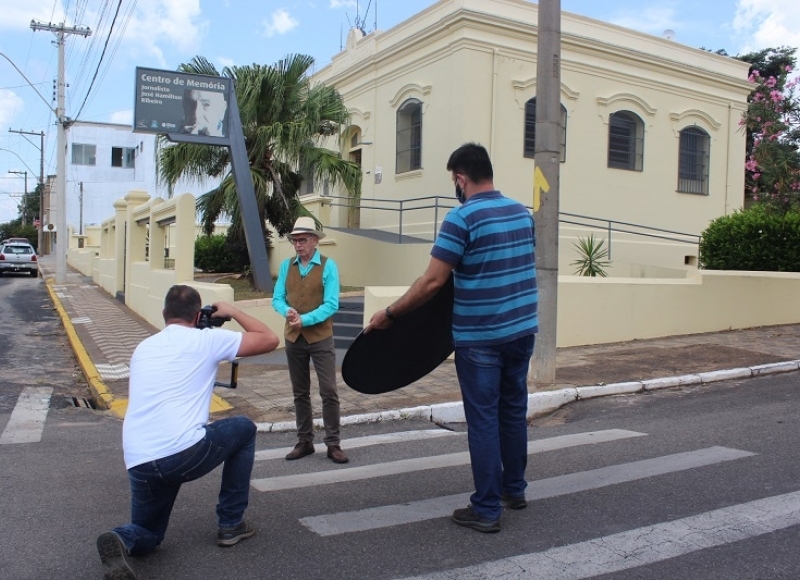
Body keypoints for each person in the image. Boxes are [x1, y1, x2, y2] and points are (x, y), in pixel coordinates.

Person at [366, 143, 538, 533]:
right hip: (522, 330)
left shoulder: (462, 218)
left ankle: (487, 508)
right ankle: (515, 489)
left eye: (453, 181)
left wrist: (389, 314)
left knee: (482, 420)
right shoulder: (522, 214)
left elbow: (432, 282)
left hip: (481, 338)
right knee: (512, 411)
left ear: (460, 178)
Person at [97, 285, 279, 580]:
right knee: (244, 428)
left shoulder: (144, 347)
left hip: (140, 460)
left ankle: (122, 538)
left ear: (164, 314)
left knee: (150, 534)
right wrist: (231, 311)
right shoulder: (206, 340)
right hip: (183, 454)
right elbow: (270, 339)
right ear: (198, 316)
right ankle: (231, 523)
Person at [272, 217, 348, 464]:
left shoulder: (328, 266)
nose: (297, 244)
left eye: (302, 239)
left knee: (328, 390)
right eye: (294, 240)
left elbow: (332, 304)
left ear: (315, 241)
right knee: (300, 392)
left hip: (320, 337)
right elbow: (277, 298)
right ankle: (305, 440)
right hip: (294, 337)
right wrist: (288, 312)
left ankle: (333, 443)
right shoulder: (287, 266)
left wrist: (305, 319)